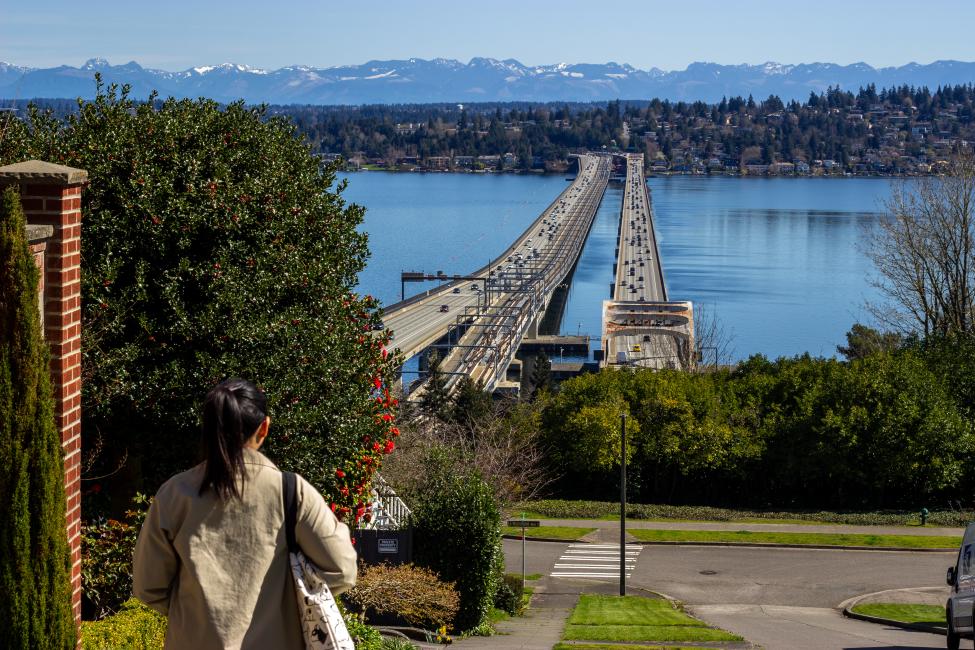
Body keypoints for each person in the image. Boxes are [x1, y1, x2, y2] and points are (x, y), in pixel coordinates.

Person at [133, 378, 357, 648]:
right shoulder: (290, 492)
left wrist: (197, 616)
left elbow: (148, 587)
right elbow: (342, 570)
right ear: (264, 428)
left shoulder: (174, 494)